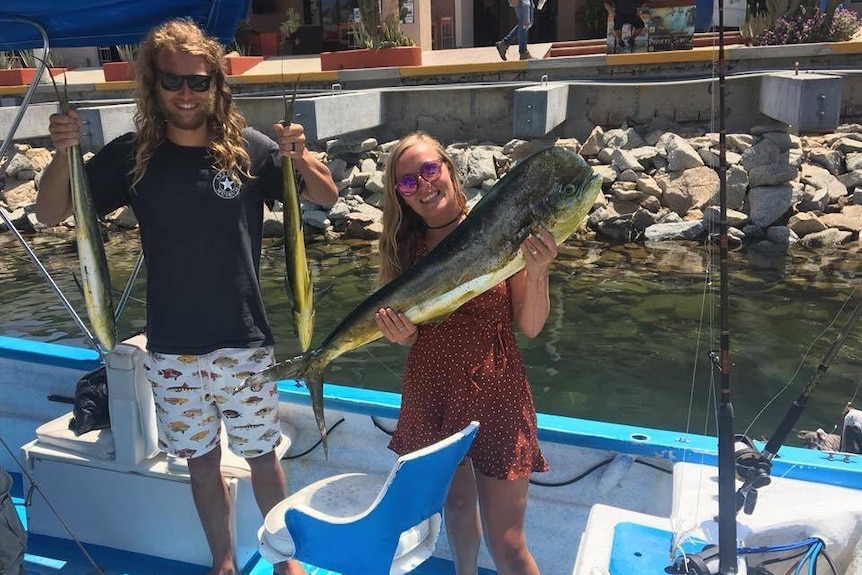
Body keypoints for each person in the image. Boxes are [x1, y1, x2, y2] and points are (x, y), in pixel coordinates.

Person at [35, 18, 338, 575]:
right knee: (200, 462)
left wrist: (301, 156)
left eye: (199, 82)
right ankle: (222, 558)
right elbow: (51, 213)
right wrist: (63, 153)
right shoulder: (133, 157)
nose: (186, 93)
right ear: (153, 85)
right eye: (173, 81)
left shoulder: (249, 150)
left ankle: (284, 560)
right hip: (173, 347)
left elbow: (325, 195)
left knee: (261, 455)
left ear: (217, 86)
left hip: (243, 339)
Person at [373, 131, 554, 575]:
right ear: (401, 196)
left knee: (508, 543)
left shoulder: (500, 230)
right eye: (408, 182)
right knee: (454, 506)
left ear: (450, 171)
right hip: (431, 389)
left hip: (498, 390)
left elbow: (529, 327)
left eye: (429, 170)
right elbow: (411, 332)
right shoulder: (403, 250)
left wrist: (538, 271)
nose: (423, 184)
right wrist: (402, 337)